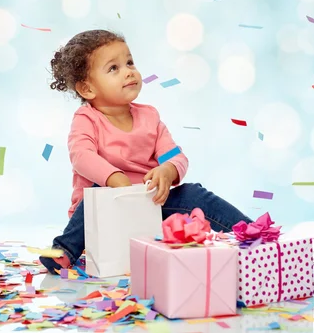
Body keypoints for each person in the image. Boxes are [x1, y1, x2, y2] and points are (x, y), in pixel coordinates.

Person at [39, 29, 252, 273]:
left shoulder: (149, 116)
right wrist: (114, 178)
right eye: (113, 68)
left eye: (129, 62)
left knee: (194, 193)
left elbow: (176, 157)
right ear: (87, 89)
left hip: (149, 205)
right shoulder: (87, 119)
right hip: (106, 211)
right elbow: (81, 156)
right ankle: (65, 250)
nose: (129, 71)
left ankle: (253, 234)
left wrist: (168, 170)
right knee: (96, 192)